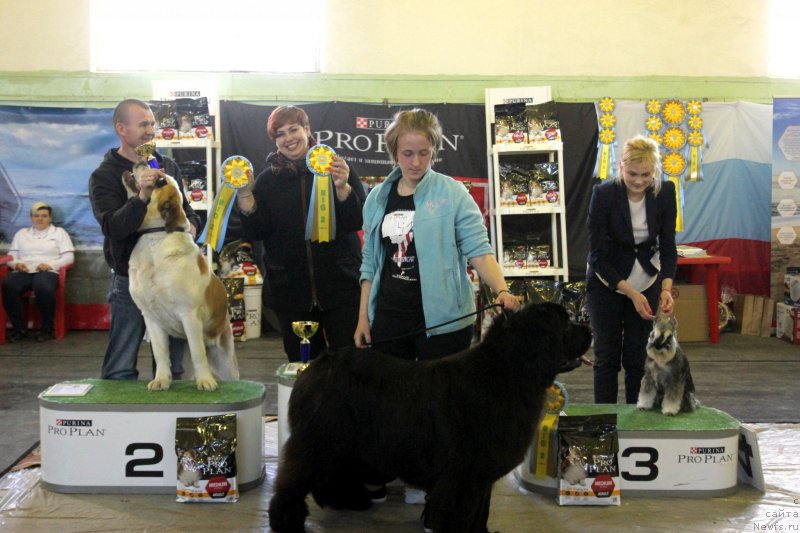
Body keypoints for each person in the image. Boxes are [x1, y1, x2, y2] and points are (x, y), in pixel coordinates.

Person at [354, 108, 519, 508]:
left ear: (434, 151)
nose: (415, 162)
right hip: (390, 319)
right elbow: (370, 263)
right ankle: (380, 473)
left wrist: (501, 289)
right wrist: (363, 316)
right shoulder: (377, 197)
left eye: (423, 153)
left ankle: (435, 491)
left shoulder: (452, 193)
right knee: (387, 406)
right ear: (394, 150)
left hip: (444, 321)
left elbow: (479, 250)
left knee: (443, 414)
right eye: (407, 153)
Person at [235, 105, 365, 362]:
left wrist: (342, 188)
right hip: (291, 291)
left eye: (293, 129)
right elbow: (255, 231)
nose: (288, 138)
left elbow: (356, 220)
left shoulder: (338, 169)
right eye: (280, 134)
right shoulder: (266, 181)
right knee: (303, 365)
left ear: (307, 130)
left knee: (350, 365)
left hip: (341, 287)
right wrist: (245, 194)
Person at [89, 98, 201, 380]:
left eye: (152, 123)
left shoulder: (168, 166)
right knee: (120, 367)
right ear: (121, 128)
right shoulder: (103, 176)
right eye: (143, 124)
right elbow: (113, 227)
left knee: (172, 369)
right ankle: (118, 423)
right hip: (129, 280)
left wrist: (193, 226)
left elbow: (186, 210)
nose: (151, 130)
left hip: (173, 278)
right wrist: (141, 196)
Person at [585, 135, 678, 404]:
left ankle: (636, 421)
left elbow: (669, 245)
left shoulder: (665, 192)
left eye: (646, 174)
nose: (639, 181)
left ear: (655, 171)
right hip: (607, 282)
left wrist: (666, 290)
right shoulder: (602, 195)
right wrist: (631, 293)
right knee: (606, 358)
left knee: (638, 358)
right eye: (633, 174)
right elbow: (598, 256)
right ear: (621, 166)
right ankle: (606, 424)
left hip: (647, 280)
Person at [2, 202, 74, 342]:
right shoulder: (22, 234)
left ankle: (46, 329)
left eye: (44, 216)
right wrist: (17, 264)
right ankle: (19, 329)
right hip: (25, 270)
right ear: (31, 217)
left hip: (48, 271)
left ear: (50, 218)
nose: (40, 219)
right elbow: (11, 256)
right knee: (8, 284)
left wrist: (50, 265)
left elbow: (69, 258)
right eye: (36, 216)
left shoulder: (59, 233)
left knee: (42, 286)